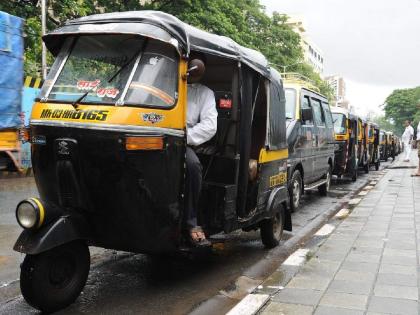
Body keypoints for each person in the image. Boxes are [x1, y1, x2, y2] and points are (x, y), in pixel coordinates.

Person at [184, 52, 217, 247]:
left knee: (193, 166)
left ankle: (190, 221)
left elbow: (209, 126)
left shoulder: (205, 93)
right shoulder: (166, 83)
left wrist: (185, 137)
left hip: (183, 141)